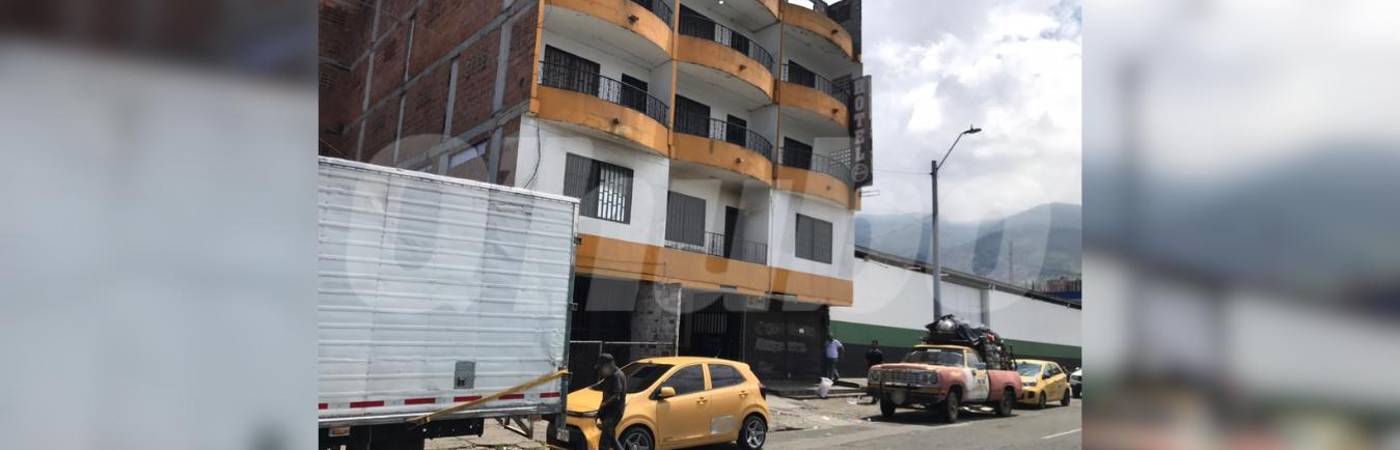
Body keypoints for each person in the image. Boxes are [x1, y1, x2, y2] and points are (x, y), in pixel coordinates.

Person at [594, 353, 627, 450]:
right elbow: (601, 386)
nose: (600, 372)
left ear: (608, 366)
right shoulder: (609, 376)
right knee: (611, 438)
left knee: (604, 441)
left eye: (601, 369)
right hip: (608, 411)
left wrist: (604, 404)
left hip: (613, 412)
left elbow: (616, 395)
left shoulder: (617, 376)